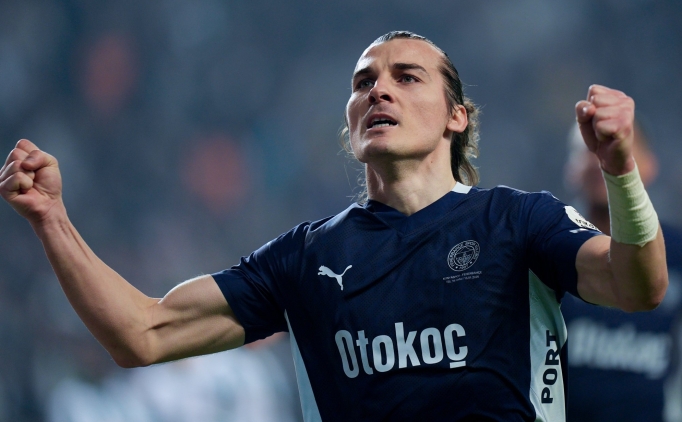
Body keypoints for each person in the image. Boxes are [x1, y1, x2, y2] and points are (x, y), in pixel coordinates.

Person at [0, 31, 669, 421]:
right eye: (363, 81)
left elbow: (639, 286)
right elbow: (141, 334)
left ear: (456, 116)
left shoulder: (518, 221)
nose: (378, 89)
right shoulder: (306, 257)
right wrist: (52, 218)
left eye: (407, 77)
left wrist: (619, 170)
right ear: (350, 123)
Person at [561, 122, 682, 422]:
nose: (600, 160)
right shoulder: (546, 250)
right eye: (587, 150)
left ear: (649, 165)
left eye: (616, 149)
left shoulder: (678, 253)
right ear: (570, 170)